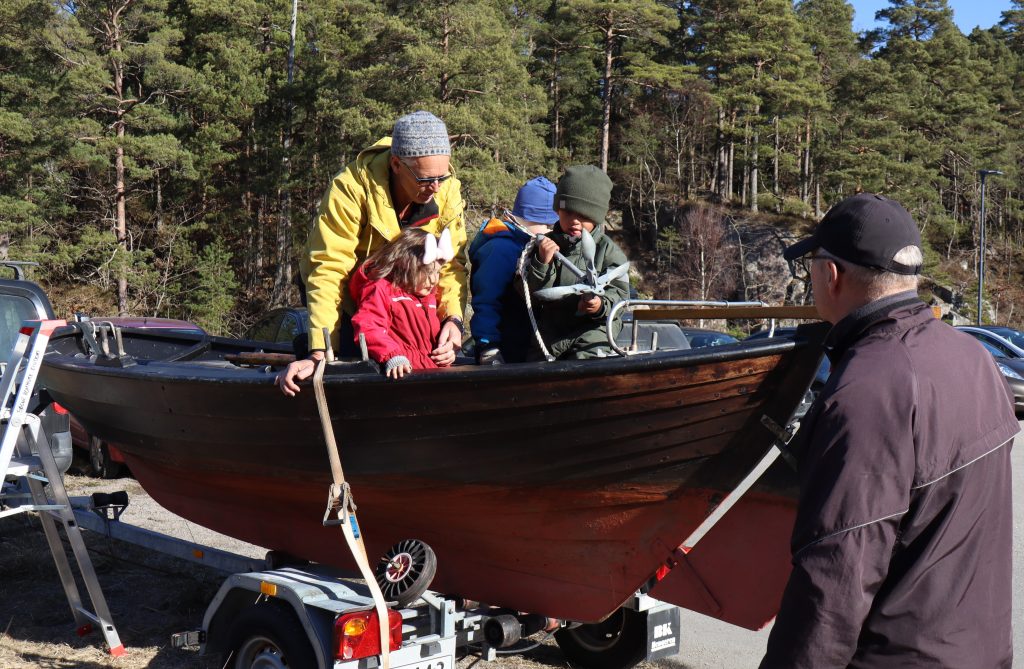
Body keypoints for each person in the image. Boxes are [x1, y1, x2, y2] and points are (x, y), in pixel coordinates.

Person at [762, 193, 1019, 668]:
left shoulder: (868, 392)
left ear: (831, 274)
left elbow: (833, 580)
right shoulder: (974, 359)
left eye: (812, 264)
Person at [277, 111, 466, 396]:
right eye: (426, 179)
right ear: (396, 164)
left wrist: (453, 319)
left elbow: (450, 266)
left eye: (442, 175)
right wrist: (320, 352)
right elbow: (329, 268)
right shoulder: (351, 187)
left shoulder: (445, 188)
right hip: (351, 298)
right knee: (352, 373)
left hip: (410, 299)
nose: (435, 188)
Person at [523, 165, 629, 360]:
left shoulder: (608, 252)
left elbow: (621, 295)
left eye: (584, 215)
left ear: (596, 217)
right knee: (535, 365)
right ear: (558, 210)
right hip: (550, 336)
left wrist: (599, 306)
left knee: (586, 360)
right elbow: (530, 297)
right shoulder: (544, 247)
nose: (574, 221)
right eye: (568, 212)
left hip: (593, 333)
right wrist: (542, 263)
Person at [468, 176, 559, 364]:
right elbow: (487, 301)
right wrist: (488, 346)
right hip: (505, 346)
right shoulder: (500, 250)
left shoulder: (528, 247)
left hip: (525, 343)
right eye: (550, 226)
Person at [349, 227, 454, 379]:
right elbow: (369, 327)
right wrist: (392, 355)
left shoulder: (429, 296)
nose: (434, 280)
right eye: (427, 272)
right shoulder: (382, 289)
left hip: (432, 375)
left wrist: (446, 354)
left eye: (437, 272)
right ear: (405, 265)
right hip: (403, 376)